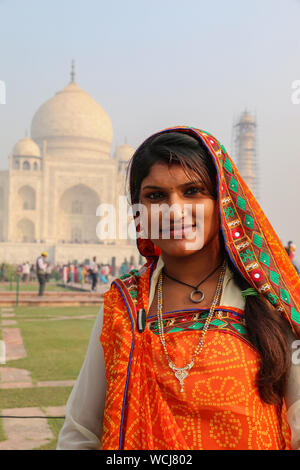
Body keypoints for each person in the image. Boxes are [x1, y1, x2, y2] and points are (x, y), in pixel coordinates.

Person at [57, 127, 300, 450]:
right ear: (138, 212)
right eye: (155, 196)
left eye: (193, 191)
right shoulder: (125, 305)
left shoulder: (270, 299)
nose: (174, 210)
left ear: (223, 201)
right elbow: (81, 432)